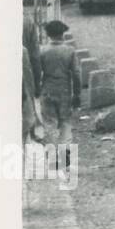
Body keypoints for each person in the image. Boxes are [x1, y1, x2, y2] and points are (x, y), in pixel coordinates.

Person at [39, 20, 81, 160]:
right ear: (62, 34)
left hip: (47, 90)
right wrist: (77, 94)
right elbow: (76, 74)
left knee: (49, 123)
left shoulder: (42, 50)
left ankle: (51, 156)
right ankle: (64, 157)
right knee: (65, 122)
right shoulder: (69, 51)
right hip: (64, 91)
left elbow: (38, 73)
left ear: (48, 34)